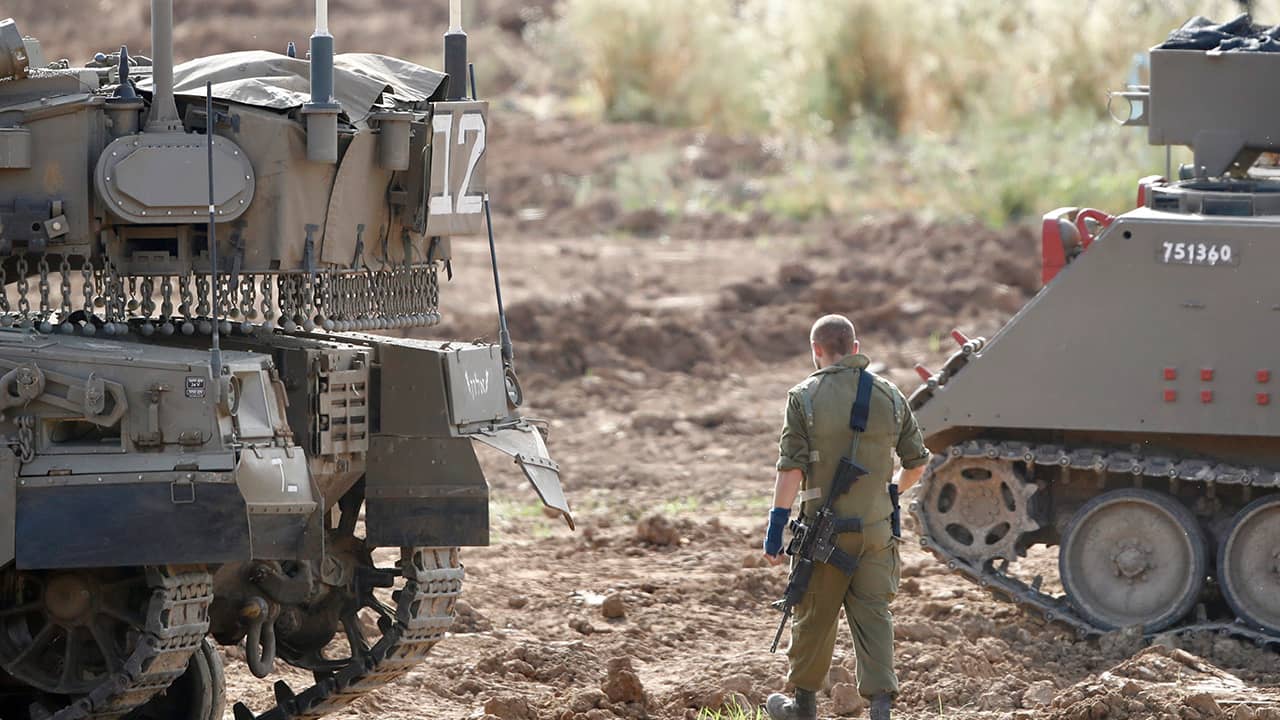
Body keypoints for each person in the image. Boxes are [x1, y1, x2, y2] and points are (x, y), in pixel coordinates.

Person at [762, 314, 930, 720]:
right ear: (855, 348)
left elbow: (791, 470)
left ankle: (802, 708)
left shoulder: (803, 397)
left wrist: (775, 526)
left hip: (824, 535)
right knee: (874, 615)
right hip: (876, 532)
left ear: (816, 351)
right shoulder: (890, 394)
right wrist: (891, 491)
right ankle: (881, 709)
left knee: (814, 617)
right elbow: (917, 463)